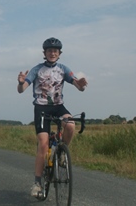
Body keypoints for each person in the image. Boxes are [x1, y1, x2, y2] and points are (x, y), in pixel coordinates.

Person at [17, 37, 88, 198]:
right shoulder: (37, 69)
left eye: (55, 51)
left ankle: (62, 153)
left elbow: (78, 85)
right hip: (41, 108)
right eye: (49, 50)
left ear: (59, 54)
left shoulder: (63, 69)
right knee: (43, 144)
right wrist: (21, 83)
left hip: (58, 107)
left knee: (70, 124)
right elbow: (21, 90)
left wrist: (81, 85)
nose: (52, 53)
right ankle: (37, 183)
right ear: (45, 53)